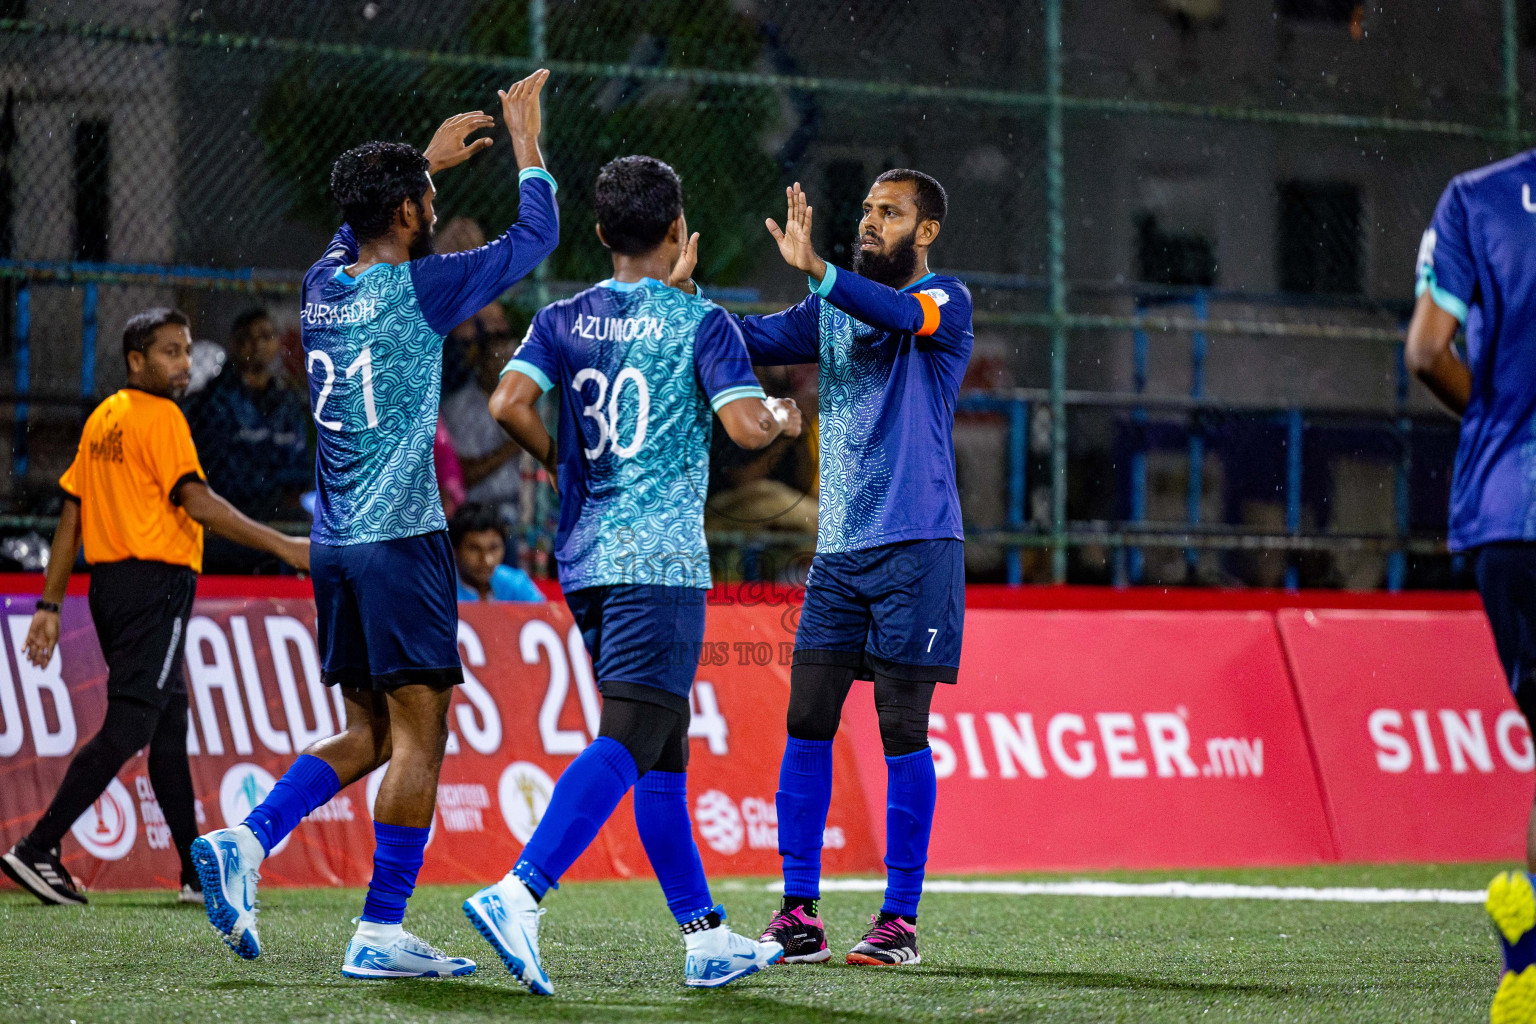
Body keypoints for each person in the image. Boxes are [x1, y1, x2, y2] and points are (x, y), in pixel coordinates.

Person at [189, 76, 558, 980]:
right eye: (428, 197)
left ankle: (248, 837)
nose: (435, 206)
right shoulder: (420, 291)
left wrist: (418, 163)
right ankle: (381, 929)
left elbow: (356, 223)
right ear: (406, 211)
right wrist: (526, 142)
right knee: (420, 736)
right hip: (400, 544)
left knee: (371, 732)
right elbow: (537, 237)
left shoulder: (321, 283)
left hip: (338, 546)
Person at [462, 154, 799, 995]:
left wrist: (565, 467)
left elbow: (507, 406)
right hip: (660, 563)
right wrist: (787, 412)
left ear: (604, 232)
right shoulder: (701, 322)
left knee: (662, 751)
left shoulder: (563, 316)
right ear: (679, 231)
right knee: (631, 737)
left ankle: (705, 936)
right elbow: (749, 430)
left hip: (585, 559)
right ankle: (521, 891)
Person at [680, 173, 971, 966]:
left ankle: (899, 924)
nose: (872, 223)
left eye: (891, 213)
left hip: (918, 548)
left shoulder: (947, 299)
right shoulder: (831, 309)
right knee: (807, 721)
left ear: (927, 230)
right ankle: (799, 914)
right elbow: (745, 338)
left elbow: (903, 315)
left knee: (902, 728)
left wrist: (822, 275)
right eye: (870, 211)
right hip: (839, 557)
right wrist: (683, 303)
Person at [0, 308, 310, 906]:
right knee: (135, 723)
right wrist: (285, 545)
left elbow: (71, 515)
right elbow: (196, 500)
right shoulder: (163, 417)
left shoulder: (104, 418)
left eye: (186, 350)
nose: (183, 363)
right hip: (158, 586)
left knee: (169, 728)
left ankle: (195, 873)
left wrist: (50, 602)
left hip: (110, 589)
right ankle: (38, 845)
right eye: (169, 351)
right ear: (136, 360)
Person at [1406, 149, 1536, 1023]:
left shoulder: (1478, 197)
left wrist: (1498, 420)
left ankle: (1528, 964)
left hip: (1508, 509)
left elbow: (1425, 351)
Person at [187, 307, 312, 573]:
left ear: (277, 342)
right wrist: (268, 477)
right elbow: (219, 467)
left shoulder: (287, 401)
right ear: (235, 343)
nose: (257, 345)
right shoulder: (215, 399)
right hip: (232, 507)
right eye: (248, 337)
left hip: (276, 507)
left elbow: (299, 467)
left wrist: (278, 483)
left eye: (266, 336)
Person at [441, 304, 527, 509]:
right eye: (502, 360)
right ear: (483, 361)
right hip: (475, 511)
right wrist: (512, 446)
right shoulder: (458, 405)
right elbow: (463, 474)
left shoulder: (516, 401)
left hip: (513, 509)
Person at [449, 501, 543, 602]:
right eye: (474, 549)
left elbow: (543, 614)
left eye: (493, 548)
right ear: (454, 550)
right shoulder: (442, 590)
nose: (487, 560)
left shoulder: (516, 583)